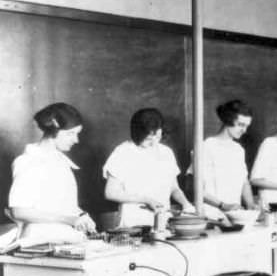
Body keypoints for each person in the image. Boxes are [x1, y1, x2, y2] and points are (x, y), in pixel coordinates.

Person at [8, 102, 96, 244]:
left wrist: (81, 214)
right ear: (53, 129)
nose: (76, 140)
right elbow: (19, 211)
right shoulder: (28, 161)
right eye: (70, 134)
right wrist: (70, 219)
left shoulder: (60, 161)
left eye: (77, 134)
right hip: (38, 240)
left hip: (62, 236)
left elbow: (56, 202)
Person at [103, 108, 195, 228]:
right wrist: (146, 200)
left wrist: (186, 204)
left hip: (162, 221)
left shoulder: (166, 152)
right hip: (134, 223)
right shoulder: (123, 152)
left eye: (157, 136)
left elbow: (174, 188)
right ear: (137, 134)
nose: (154, 143)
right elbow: (110, 193)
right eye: (148, 139)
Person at [194, 99, 255, 216]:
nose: (244, 130)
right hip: (211, 215)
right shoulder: (206, 147)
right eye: (241, 125)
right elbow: (197, 189)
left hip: (235, 215)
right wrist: (222, 205)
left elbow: (244, 182)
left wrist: (251, 205)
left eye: (247, 126)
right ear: (228, 120)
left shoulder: (238, 150)